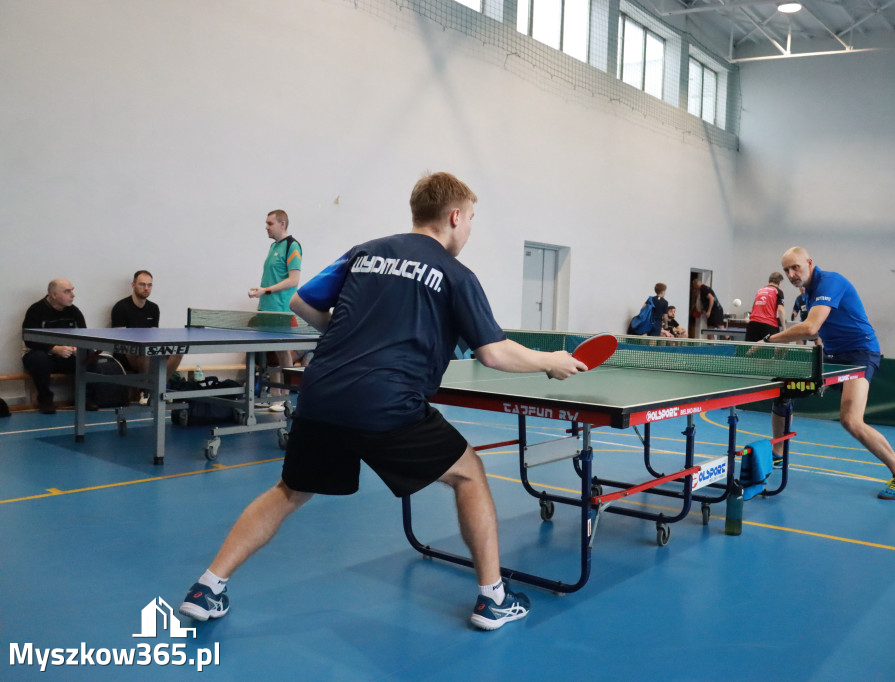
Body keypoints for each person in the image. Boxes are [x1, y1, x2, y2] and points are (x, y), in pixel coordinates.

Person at [180, 172, 587, 631]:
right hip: (385, 404)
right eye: (471, 218)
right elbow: (493, 352)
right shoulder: (456, 274)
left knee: (289, 490)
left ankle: (208, 586)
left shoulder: (364, 252)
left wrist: (344, 334)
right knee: (469, 474)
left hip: (321, 394)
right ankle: (493, 598)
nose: (469, 228)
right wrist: (549, 360)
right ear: (454, 216)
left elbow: (300, 302)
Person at [765, 246, 895, 500]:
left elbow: (811, 326)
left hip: (860, 354)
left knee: (850, 420)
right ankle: (778, 455)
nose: (791, 274)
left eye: (796, 267)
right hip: (832, 355)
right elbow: (816, 332)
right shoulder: (808, 294)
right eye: (786, 270)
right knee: (783, 390)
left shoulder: (830, 282)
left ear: (810, 263)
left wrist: (772, 340)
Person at [247, 210, 302, 411]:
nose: (266, 227)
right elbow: (272, 278)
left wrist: (267, 290)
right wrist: (260, 292)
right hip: (266, 308)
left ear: (282, 224)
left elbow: (293, 280)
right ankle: (274, 394)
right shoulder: (273, 246)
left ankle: (285, 395)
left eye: (270, 223)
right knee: (272, 353)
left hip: (282, 308)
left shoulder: (292, 246)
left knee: (283, 351)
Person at [21, 279, 96, 414]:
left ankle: (84, 397)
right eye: (67, 291)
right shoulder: (35, 310)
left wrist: (76, 348)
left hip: (66, 355)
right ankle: (45, 400)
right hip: (40, 354)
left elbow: (84, 335)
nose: (73, 295)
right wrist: (54, 349)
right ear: (53, 295)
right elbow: (29, 340)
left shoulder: (74, 311)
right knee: (39, 359)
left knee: (89, 354)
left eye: (72, 290)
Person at [110, 270, 182, 387]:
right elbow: (120, 339)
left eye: (149, 285)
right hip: (126, 352)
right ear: (133, 285)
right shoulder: (121, 307)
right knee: (145, 351)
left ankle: (159, 388)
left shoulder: (153, 308)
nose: (146, 288)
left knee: (178, 352)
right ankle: (145, 391)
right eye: (142, 284)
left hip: (148, 350)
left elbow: (154, 336)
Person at [744, 272, 786, 343]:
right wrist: (784, 327)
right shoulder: (777, 291)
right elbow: (780, 310)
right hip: (768, 325)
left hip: (752, 324)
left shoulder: (760, 290)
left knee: (748, 351)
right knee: (769, 352)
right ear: (779, 282)